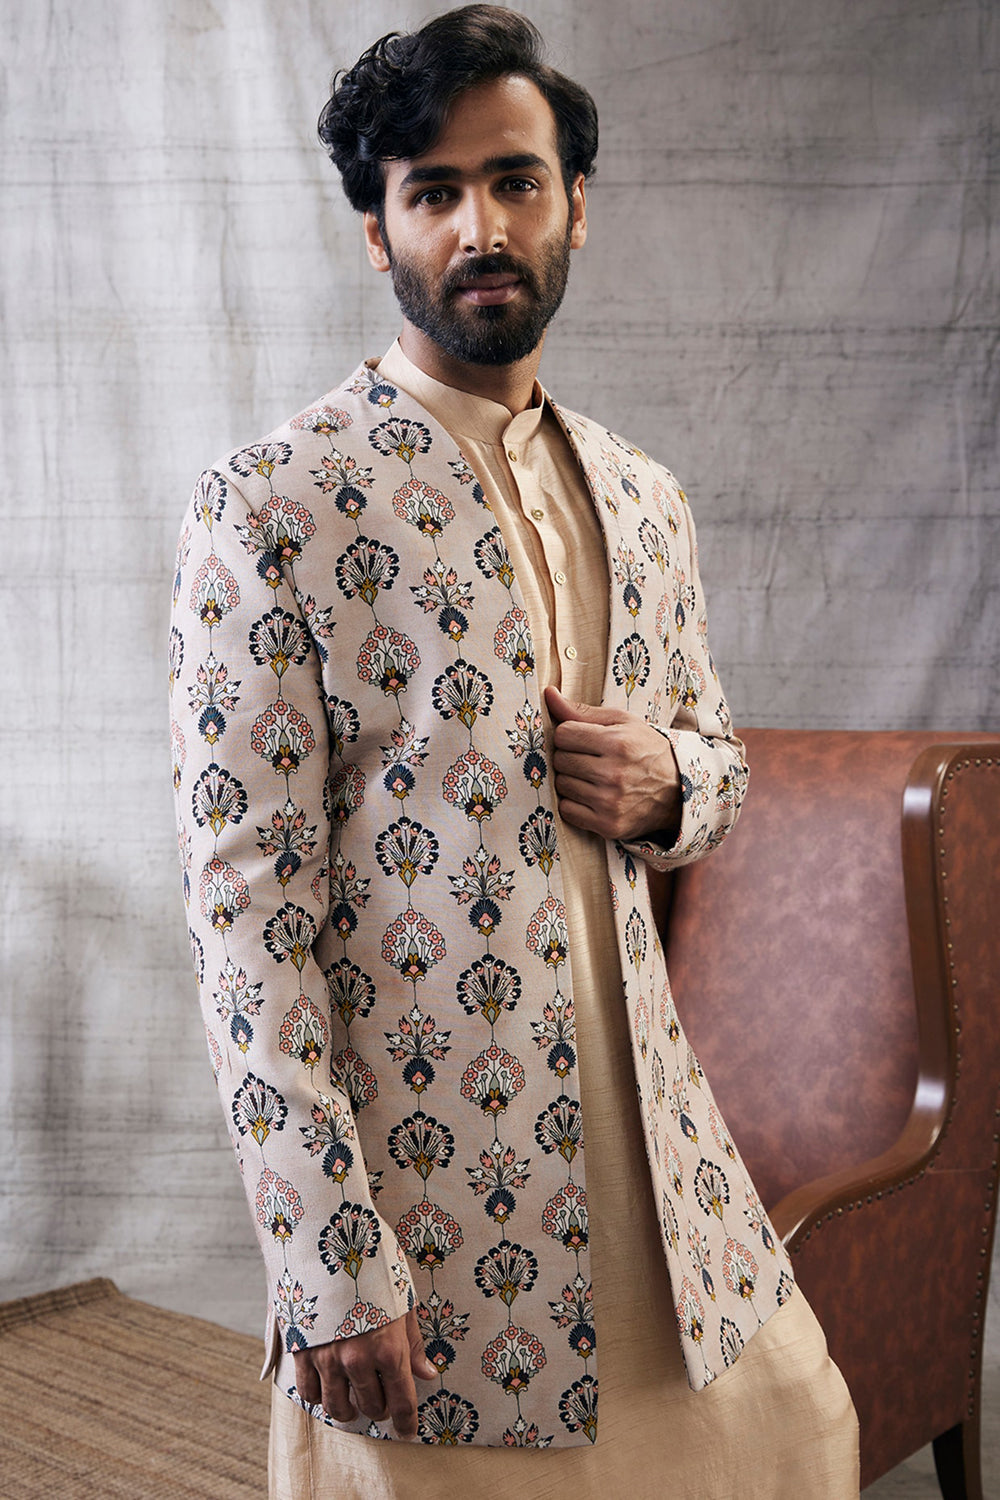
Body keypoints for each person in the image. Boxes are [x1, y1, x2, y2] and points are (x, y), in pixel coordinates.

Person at [169, 7, 858, 1496]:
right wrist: (323, 1250)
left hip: (664, 1162)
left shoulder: (645, 494)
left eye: (517, 181)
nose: (482, 227)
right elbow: (245, 916)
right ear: (379, 231)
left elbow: (719, 761)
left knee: (797, 1438)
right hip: (432, 1187)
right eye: (434, 191)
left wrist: (671, 783)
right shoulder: (276, 504)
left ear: (574, 206)